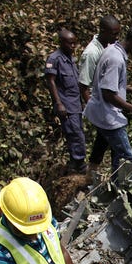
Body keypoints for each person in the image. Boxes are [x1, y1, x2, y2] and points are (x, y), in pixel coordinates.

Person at [83, 25, 132, 173]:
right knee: (127, 158)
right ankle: (122, 191)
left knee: (105, 145)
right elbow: (108, 94)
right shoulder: (116, 59)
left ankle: (92, 176)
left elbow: (107, 83)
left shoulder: (111, 50)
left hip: (100, 111)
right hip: (108, 115)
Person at [45, 29, 87, 174]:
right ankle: (79, 165)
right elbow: (51, 82)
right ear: (62, 42)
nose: (73, 46)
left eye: (75, 43)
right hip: (67, 105)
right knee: (75, 135)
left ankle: (76, 164)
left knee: (78, 133)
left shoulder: (70, 59)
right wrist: (58, 103)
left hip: (76, 104)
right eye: (70, 43)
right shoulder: (55, 59)